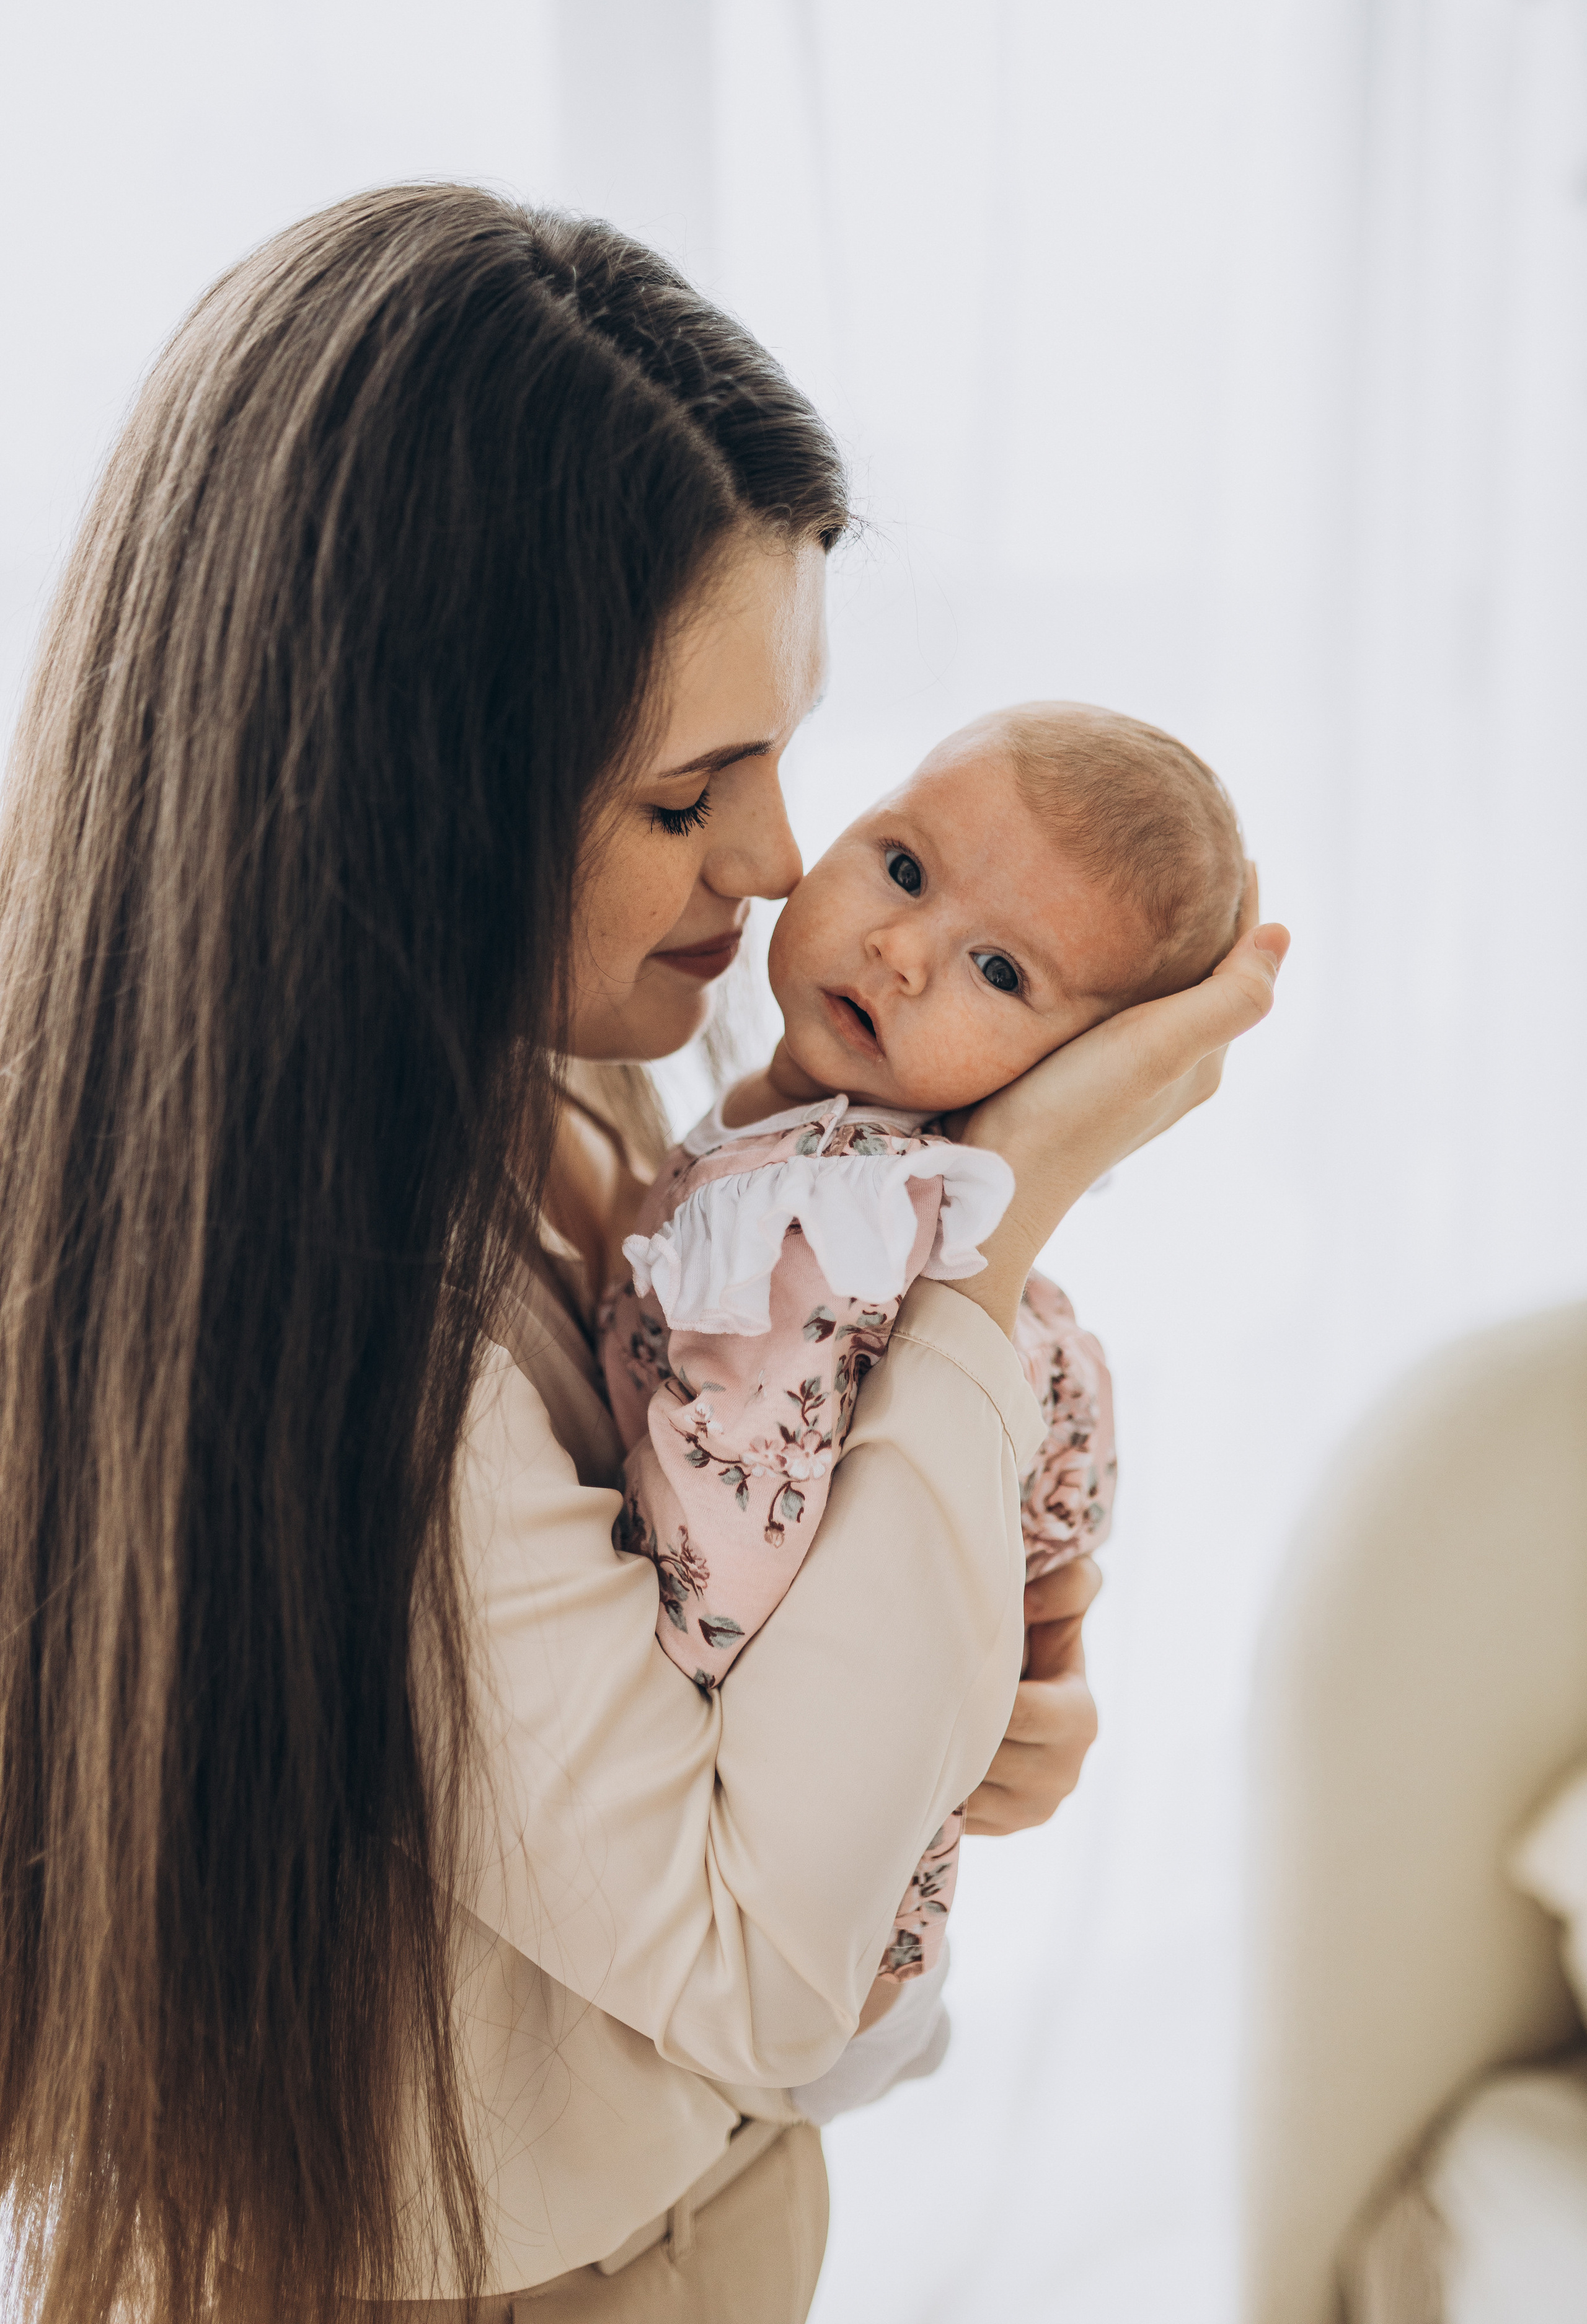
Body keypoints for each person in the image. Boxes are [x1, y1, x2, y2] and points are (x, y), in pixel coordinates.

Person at [0, 185, 1286, 2324]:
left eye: (791, 755)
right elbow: (757, 1967)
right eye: (692, 798)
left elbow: (749, 1587)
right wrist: (1006, 1215)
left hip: (719, 2224)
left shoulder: (587, 1093)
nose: (782, 863)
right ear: (414, 794)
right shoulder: (337, 1320)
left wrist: (968, 1688)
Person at [600, 701, 1244, 2003]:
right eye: (900, 866)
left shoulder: (833, 1230)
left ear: (1077, 1073)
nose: (898, 952)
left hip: (777, 1882)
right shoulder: (795, 1163)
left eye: (999, 973)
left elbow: (724, 1572)